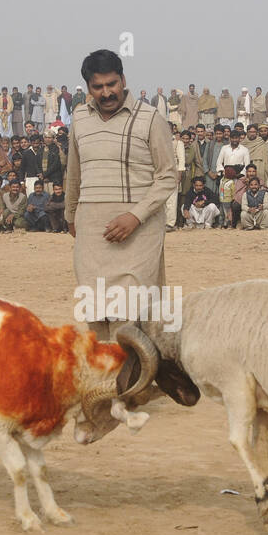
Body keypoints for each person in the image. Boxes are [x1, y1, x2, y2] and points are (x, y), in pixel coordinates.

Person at [64, 49, 176, 340]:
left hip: (138, 232)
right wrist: (70, 215)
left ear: (123, 79)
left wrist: (134, 217)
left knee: (130, 316)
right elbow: (73, 173)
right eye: (98, 87)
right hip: (91, 232)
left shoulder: (150, 119)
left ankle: (136, 382)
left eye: (112, 84)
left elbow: (167, 176)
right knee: (95, 313)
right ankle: (106, 382)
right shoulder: (79, 119)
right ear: (88, 88)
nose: (106, 93)